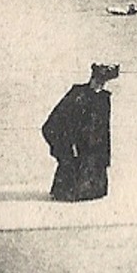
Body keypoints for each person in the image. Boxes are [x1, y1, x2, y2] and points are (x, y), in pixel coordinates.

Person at [42, 63, 118, 201]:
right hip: (74, 157)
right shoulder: (78, 95)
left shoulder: (102, 99)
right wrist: (65, 147)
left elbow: (103, 133)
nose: (99, 85)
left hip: (93, 163)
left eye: (103, 82)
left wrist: (104, 158)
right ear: (92, 78)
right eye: (97, 81)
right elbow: (53, 123)